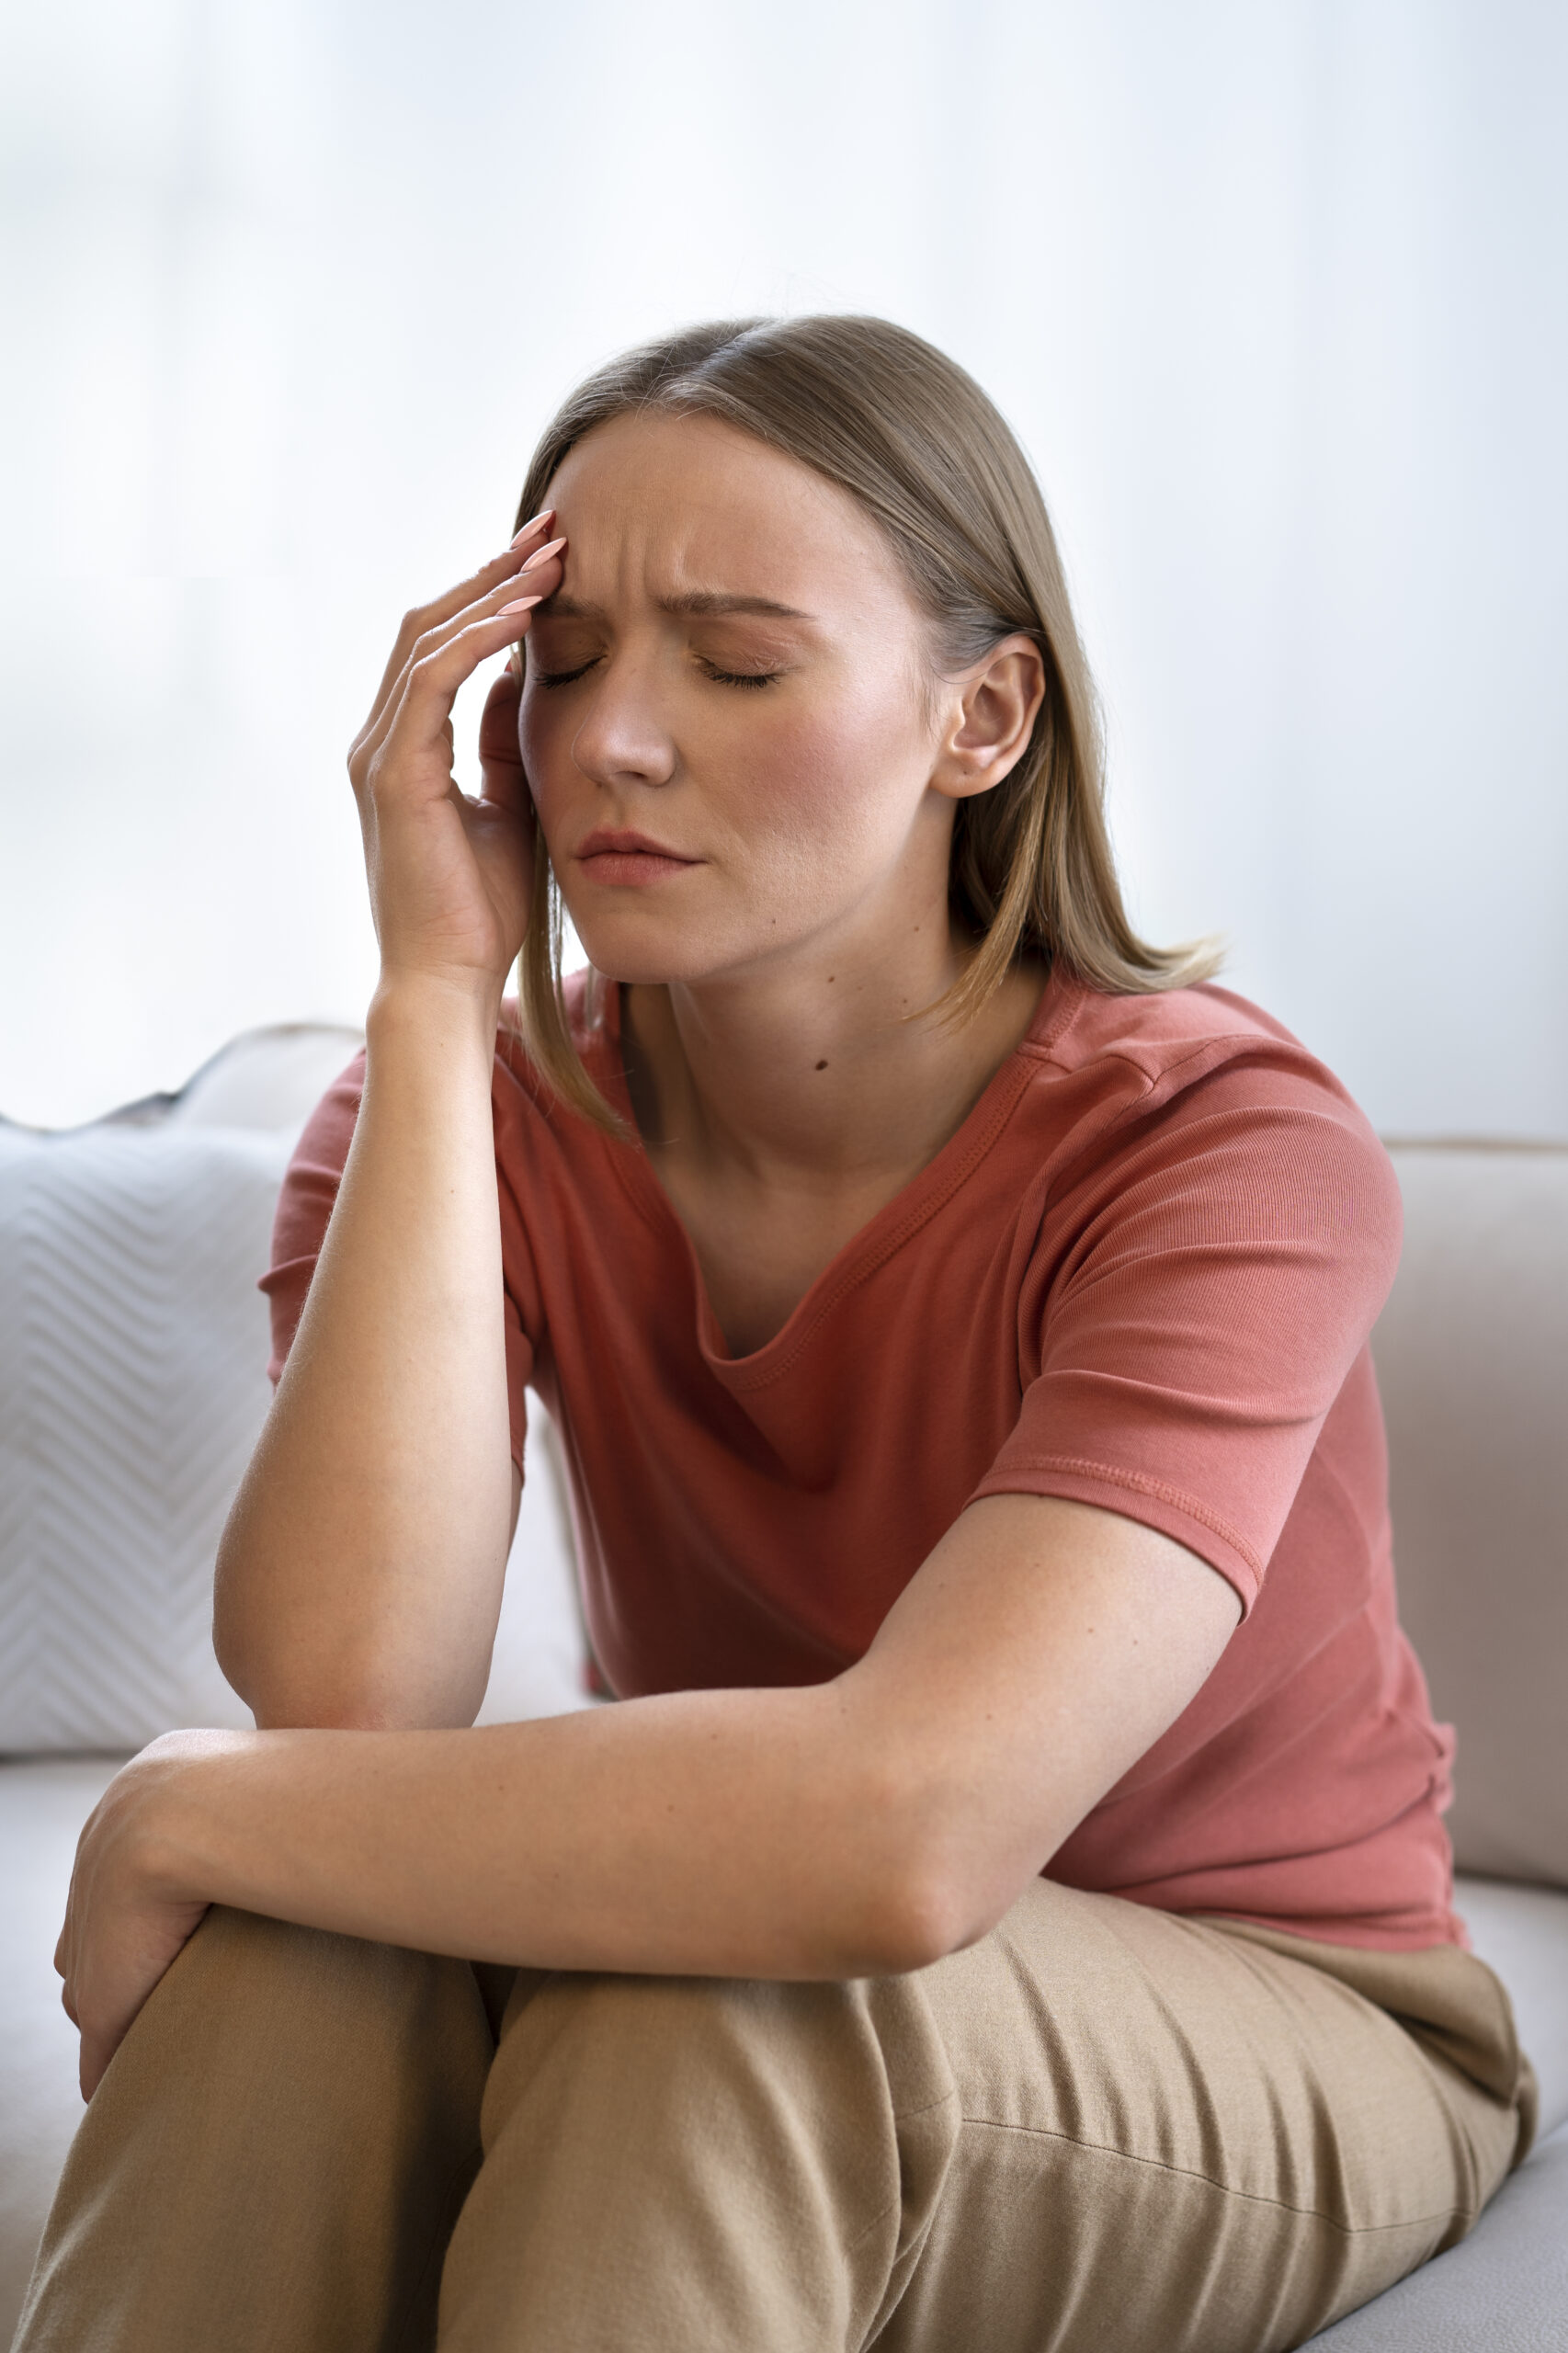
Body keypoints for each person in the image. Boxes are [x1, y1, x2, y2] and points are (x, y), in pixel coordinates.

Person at [18, 315, 1534, 2353]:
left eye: (735, 663)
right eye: (560, 667)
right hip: (764, 1932)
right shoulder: (460, 1116)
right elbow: (347, 1691)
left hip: (1279, 1997)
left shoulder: (1218, 1146)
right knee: (295, 1947)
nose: (613, 743)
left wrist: (174, 1803)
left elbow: (906, 1831)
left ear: (981, 716)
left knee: (727, 2007)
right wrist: (423, 1004)